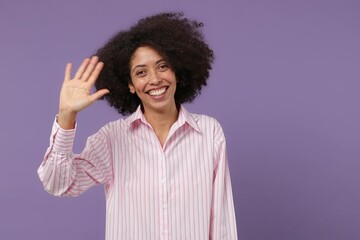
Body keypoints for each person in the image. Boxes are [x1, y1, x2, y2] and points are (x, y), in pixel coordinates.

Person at [38, 12, 237, 240]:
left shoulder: (210, 133)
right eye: (141, 72)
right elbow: (58, 184)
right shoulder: (113, 139)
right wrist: (67, 114)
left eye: (162, 66)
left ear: (177, 72)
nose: (154, 79)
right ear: (131, 85)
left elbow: (221, 222)